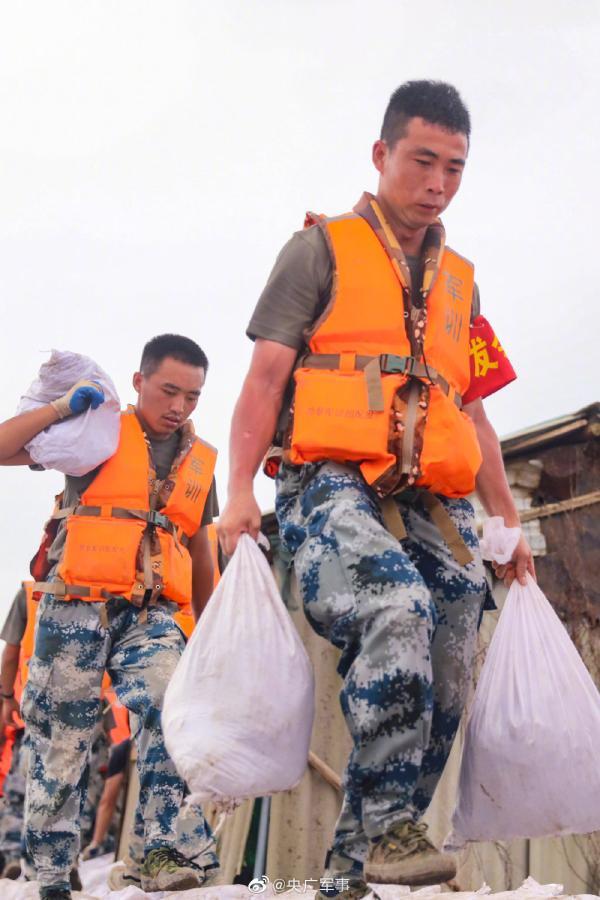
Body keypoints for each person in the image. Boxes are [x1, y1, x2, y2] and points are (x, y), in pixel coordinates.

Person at [218, 81, 534, 893]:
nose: (438, 183)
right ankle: (393, 829)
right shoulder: (318, 250)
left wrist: (506, 525)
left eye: (455, 168)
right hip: (326, 483)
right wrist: (239, 493)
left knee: (457, 628)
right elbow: (263, 380)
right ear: (381, 154)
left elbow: (476, 417)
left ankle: (357, 858)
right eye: (423, 161)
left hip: (430, 497)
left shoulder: (460, 283)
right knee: (396, 605)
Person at [0, 334, 220, 899]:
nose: (179, 406)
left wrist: (207, 629)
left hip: (151, 614)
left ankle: (167, 852)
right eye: (169, 390)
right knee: (63, 739)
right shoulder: (96, 432)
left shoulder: (201, 463)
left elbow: (198, 549)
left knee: (174, 711)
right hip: (76, 605)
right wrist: (59, 407)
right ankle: (50, 872)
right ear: (140, 381)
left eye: (192, 397)